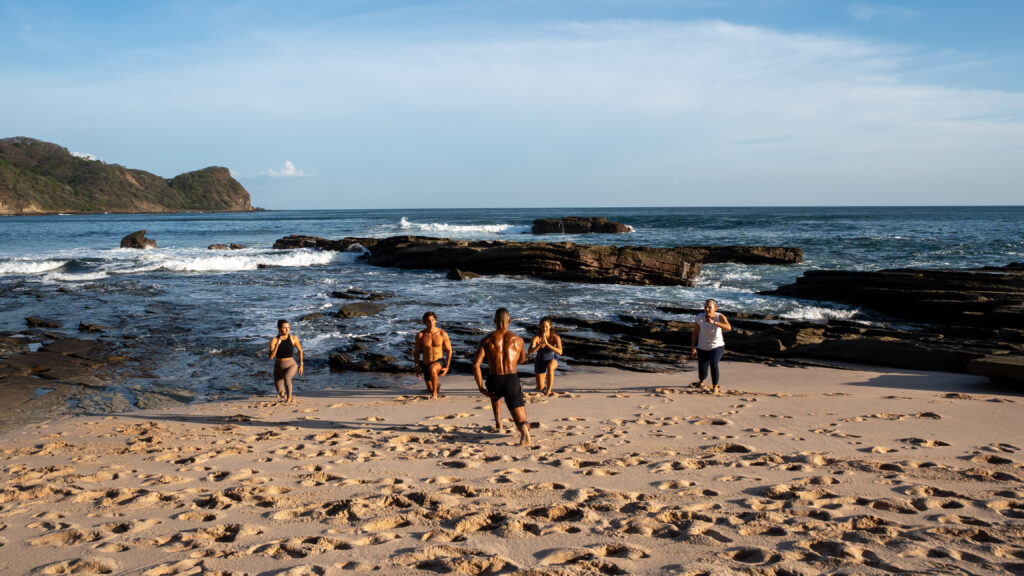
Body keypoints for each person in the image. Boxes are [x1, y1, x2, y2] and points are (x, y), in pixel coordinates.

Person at [473, 308, 531, 446]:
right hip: (511, 379)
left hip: (494, 379)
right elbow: (522, 360)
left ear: (494, 321)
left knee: (495, 395)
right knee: (521, 419)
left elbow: (476, 365)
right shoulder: (518, 340)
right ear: (509, 321)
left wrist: (480, 387)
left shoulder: (486, 340)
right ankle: (523, 428)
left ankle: (499, 423)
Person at [691, 299, 731, 394]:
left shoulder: (719, 316)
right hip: (702, 347)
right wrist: (693, 347)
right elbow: (695, 332)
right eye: (705, 307)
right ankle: (701, 381)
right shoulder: (699, 318)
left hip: (717, 346)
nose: (707, 309)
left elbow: (728, 328)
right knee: (702, 371)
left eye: (710, 307)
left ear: (715, 308)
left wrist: (714, 322)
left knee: (713, 363)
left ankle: (715, 387)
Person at [413, 311, 452, 399]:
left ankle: (434, 394)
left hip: (438, 361)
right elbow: (417, 352)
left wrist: (447, 366)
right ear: (424, 322)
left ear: (436, 321)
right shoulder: (420, 335)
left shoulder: (442, 334)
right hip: (426, 363)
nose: (431, 323)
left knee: (433, 368)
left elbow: (449, 350)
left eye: (433, 320)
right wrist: (417, 366)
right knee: (430, 388)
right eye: (428, 321)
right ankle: (435, 388)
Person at [269, 319, 303, 403]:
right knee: (280, 391)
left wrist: (301, 364)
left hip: (291, 364)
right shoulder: (274, 340)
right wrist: (277, 344)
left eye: (288, 327)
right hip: (278, 367)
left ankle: (289, 398)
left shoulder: (293, 338)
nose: (287, 329)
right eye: (284, 328)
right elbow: (271, 357)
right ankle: (284, 395)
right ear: (279, 328)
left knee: (287, 378)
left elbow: (300, 350)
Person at [528, 317, 563, 396]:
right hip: (540, 360)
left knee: (550, 368)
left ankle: (548, 390)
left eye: (546, 326)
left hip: (552, 358)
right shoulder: (536, 338)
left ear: (550, 326)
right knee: (540, 388)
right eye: (542, 326)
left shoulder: (555, 337)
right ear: (540, 327)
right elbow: (530, 352)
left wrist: (547, 344)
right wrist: (540, 344)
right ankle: (541, 387)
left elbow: (560, 352)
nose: (544, 328)